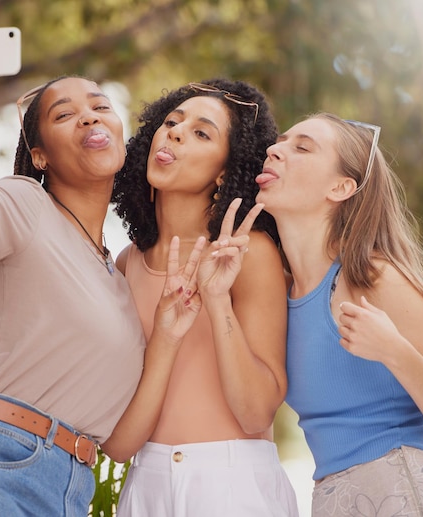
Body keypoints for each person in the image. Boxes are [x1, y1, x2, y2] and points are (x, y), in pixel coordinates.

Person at [0, 27, 205, 517]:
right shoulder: (26, 203)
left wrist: (167, 337)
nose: (89, 115)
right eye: (64, 114)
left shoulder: (113, 277)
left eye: (99, 105)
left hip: (65, 486)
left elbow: (117, 442)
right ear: (39, 155)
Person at [255, 112, 423, 516]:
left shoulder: (375, 278)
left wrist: (393, 350)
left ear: (341, 187)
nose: (275, 149)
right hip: (333, 501)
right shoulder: (278, 295)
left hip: (406, 496)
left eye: (302, 147)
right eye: (281, 141)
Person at [112, 78, 299, 517]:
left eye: (201, 132)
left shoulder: (248, 253)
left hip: (231, 485)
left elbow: (255, 415)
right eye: (172, 122)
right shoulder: (126, 264)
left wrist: (217, 302)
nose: (174, 132)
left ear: (224, 170)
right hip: (146, 487)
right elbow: (120, 444)